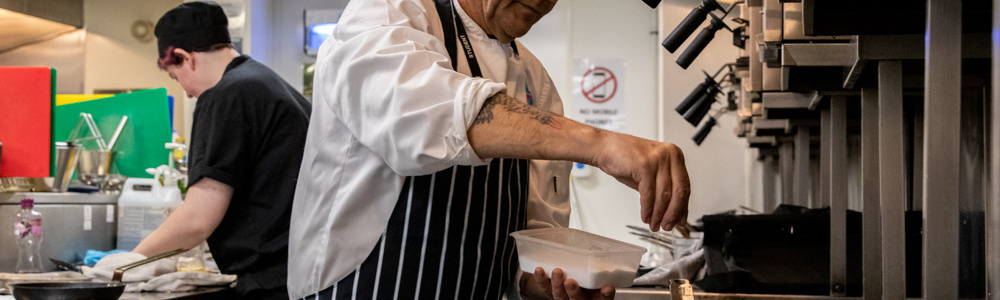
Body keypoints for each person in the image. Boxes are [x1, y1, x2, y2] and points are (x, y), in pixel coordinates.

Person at [288, 0, 690, 299]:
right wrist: (599, 144)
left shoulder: (535, 78)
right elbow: (423, 113)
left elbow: (535, 229)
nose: (543, 2)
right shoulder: (391, 13)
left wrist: (541, 280)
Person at [122, 2, 311, 298]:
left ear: (185, 58)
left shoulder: (226, 96)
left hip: (270, 282)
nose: (185, 91)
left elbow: (198, 218)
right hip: (301, 273)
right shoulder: (270, 84)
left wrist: (127, 263)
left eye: (175, 76)